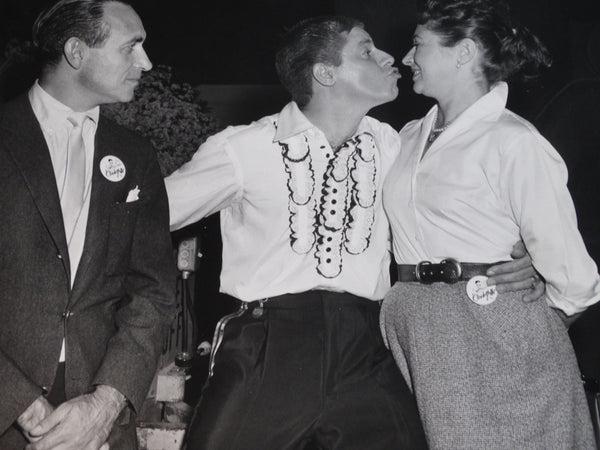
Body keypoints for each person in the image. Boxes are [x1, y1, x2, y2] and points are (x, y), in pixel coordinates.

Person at [166, 16, 540, 449]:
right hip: (269, 345)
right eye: (366, 50)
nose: (390, 57)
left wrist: (528, 255)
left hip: (366, 344)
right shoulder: (244, 147)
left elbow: (460, 210)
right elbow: (145, 215)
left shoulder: (397, 146)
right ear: (325, 73)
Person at [379, 0, 600, 448]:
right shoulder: (402, 139)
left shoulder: (514, 141)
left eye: (418, 45)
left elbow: (577, 279)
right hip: (415, 332)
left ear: (464, 52)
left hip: (498, 335)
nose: (406, 58)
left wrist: (517, 321)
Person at [0, 1, 176, 449]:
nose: (146, 63)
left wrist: (106, 402)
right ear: (77, 52)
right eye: (131, 47)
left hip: (100, 421)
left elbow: (153, 290)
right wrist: (17, 400)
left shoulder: (136, 155)